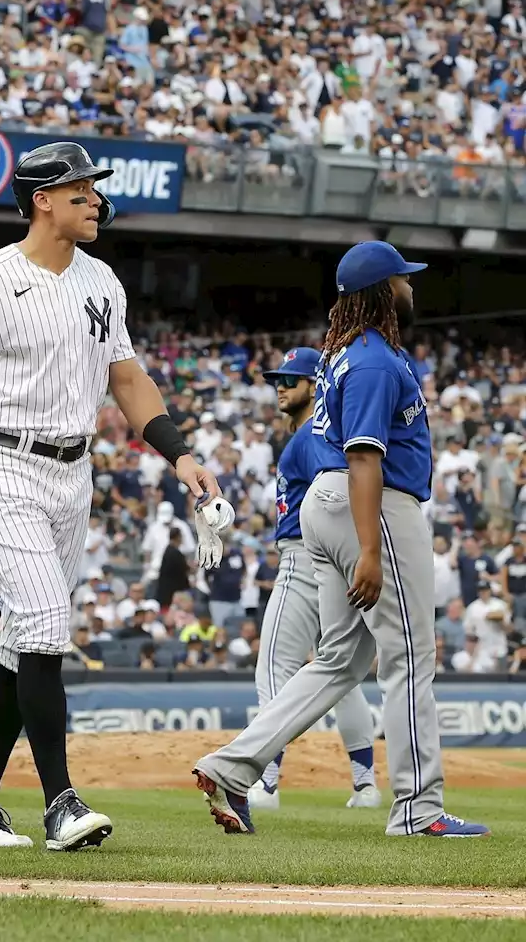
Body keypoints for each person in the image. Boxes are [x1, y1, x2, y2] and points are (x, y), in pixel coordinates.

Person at [0, 142, 222, 851]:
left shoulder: (102, 281)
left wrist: (182, 453)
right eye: (81, 194)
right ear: (43, 200)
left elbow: (129, 381)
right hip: (1, 459)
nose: (96, 203)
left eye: (95, 194)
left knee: (24, 640)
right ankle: (61, 804)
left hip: (73, 471)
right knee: (45, 618)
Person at [193, 241, 488, 838]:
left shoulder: (346, 355)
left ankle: (232, 766)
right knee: (409, 655)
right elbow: (363, 455)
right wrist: (372, 548)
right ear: (383, 290)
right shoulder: (376, 360)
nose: (411, 287)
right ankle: (418, 810)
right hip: (371, 506)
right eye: (403, 279)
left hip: (325, 508)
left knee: (338, 660)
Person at [243, 347, 379, 812]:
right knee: (342, 674)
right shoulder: (310, 434)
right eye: (277, 379)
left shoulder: (309, 436)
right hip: (329, 560)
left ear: (315, 384)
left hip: (305, 556)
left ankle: (266, 781)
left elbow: (337, 486)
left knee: (274, 666)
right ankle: (365, 784)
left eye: (292, 379)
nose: (281, 385)